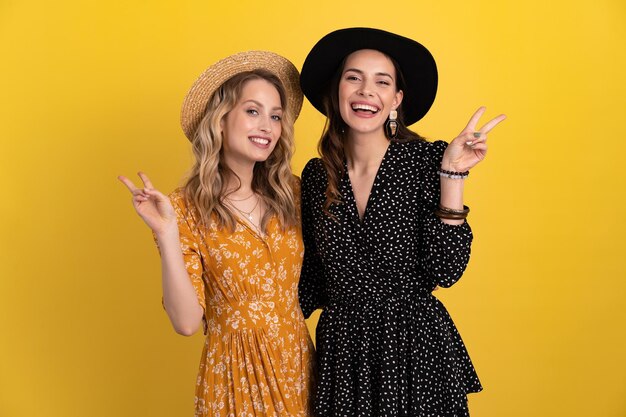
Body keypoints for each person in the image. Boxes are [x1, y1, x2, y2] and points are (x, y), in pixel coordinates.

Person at [298, 28, 506, 416]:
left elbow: (446, 270)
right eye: (353, 77)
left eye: (382, 81)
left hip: (415, 352)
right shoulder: (315, 176)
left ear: (396, 100)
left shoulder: (428, 162)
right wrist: (240, 312)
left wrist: (453, 176)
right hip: (344, 359)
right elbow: (310, 281)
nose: (366, 91)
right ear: (337, 91)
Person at [119, 51, 315, 417]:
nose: (268, 126)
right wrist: (167, 234)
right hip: (234, 376)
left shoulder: (295, 192)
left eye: (276, 116)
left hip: (299, 367)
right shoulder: (182, 209)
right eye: (253, 111)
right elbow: (187, 322)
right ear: (220, 120)